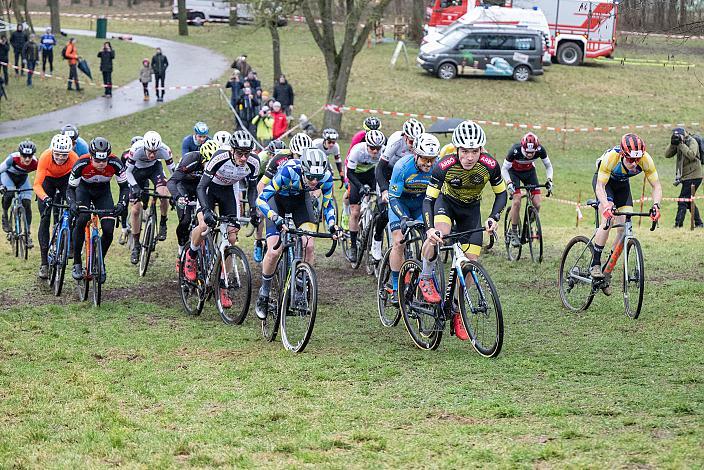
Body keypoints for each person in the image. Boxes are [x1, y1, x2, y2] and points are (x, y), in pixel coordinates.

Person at [419, 121, 507, 340]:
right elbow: (429, 199)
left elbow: (502, 194)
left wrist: (493, 217)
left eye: (474, 151)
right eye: (465, 151)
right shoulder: (444, 165)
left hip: (471, 211)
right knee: (440, 233)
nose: (470, 157)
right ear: (457, 149)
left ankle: (458, 310)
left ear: (481, 150)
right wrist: (430, 229)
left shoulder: (489, 165)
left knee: (471, 262)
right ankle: (426, 276)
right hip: (445, 204)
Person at [254, 148, 342, 320]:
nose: (314, 182)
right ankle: (264, 293)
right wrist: (274, 217)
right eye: (310, 177)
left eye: (318, 178)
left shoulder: (324, 178)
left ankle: (301, 288)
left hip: (300, 202)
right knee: (273, 251)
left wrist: (332, 225)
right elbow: (261, 199)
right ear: (303, 170)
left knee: (309, 245)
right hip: (277, 201)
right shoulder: (289, 170)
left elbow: (328, 205)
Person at [182, 131, 261, 309]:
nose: (243, 158)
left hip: (229, 191)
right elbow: (201, 186)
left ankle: (223, 286)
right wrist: (206, 211)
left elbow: (252, 189)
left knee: (231, 238)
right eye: (239, 153)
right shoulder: (220, 157)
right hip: (209, 189)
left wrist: (254, 209)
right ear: (232, 150)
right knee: (203, 226)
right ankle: (191, 255)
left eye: (246, 154)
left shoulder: (254, 162)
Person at [591, 134, 662, 290]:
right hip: (605, 184)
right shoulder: (611, 157)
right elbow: (599, 186)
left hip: (623, 187)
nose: (634, 163)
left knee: (624, 229)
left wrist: (656, 205)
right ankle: (595, 264)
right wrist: (606, 206)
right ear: (623, 155)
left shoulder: (645, 159)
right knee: (607, 221)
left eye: (637, 159)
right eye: (630, 159)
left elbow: (656, 185)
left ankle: (607, 270)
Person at [387, 133, 440, 303]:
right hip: (401, 204)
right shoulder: (402, 166)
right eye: (425, 159)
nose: (429, 163)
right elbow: (393, 197)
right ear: (416, 154)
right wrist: (402, 217)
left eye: (432, 159)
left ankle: (426, 277)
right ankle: (396, 286)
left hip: (421, 205)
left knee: (430, 239)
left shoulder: (437, 167)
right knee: (399, 241)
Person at [66, 137, 128, 281]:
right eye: (97, 161)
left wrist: (121, 204)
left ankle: (99, 261)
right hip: (84, 191)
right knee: (82, 219)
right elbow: (70, 189)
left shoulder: (115, 163)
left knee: (108, 229)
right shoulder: (81, 163)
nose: (101, 164)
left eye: (104, 161)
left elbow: (124, 188)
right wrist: (73, 204)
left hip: (103, 193)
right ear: (91, 156)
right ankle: (77, 263)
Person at [34, 134, 79, 279]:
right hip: (48, 181)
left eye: (64, 154)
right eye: (57, 154)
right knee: (45, 217)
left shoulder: (74, 158)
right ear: (52, 150)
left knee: (74, 209)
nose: (60, 157)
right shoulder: (45, 157)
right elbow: (37, 185)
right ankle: (44, 263)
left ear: (69, 152)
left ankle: (70, 243)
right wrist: (45, 198)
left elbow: (80, 183)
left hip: (66, 180)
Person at [168, 140, 220, 265]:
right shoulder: (190, 159)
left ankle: (203, 248)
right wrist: (177, 196)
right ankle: (181, 251)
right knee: (185, 221)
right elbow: (172, 182)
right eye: (207, 163)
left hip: (200, 187)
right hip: (183, 186)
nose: (210, 167)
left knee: (206, 220)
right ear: (202, 158)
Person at [125, 131, 174, 263]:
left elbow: (174, 173)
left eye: (155, 152)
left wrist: (176, 192)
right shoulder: (136, 149)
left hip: (154, 169)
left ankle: (163, 222)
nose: (152, 155)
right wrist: (135, 187)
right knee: (135, 210)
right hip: (136, 172)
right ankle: (136, 245)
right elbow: (127, 172)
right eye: (150, 152)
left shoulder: (165, 150)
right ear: (145, 147)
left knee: (164, 194)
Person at [502, 132, 554, 247]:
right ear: (523, 147)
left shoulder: (540, 150)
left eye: (532, 152)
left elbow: (549, 166)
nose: (530, 155)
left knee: (537, 204)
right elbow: (504, 169)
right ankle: (514, 232)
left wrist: (549, 179)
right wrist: (509, 182)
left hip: (529, 173)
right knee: (516, 201)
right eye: (527, 152)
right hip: (513, 173)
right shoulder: (515, 150)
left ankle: (527, 225)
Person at [346, 129, 386, 261]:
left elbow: (384, 171)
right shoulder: (357, 150)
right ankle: (353, 246)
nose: (375, 151)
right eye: (372, 148)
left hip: (371, 175)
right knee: (355, 212)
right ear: (366, 145)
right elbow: (349, 173)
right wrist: (360, 187)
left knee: (382, 202)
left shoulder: (384, 151)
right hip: (355, 176)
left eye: (378, 148)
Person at [0, 141, 38, 243]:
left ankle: (27, 234)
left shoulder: (35, 162)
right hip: (8, 177)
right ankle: (4, 214)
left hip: (22, 179)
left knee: (27, 203)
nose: (27, 159)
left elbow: (42, 175)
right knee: (9, 194)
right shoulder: (12, 159)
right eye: (24, 156)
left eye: (29, 156)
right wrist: (1, 185)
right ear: (20, 154)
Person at [666, 127, 702, 228]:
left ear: (684, 134)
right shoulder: (677, 143)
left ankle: (678, 224)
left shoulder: (692, 141)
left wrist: (681, 144)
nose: (677, 137)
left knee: (682, 200)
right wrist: (673, 144)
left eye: (678, 135)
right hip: (685, 176)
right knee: (688, 201)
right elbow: (667, 155)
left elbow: (691, 155)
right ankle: (699, 223)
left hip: (694, 175)